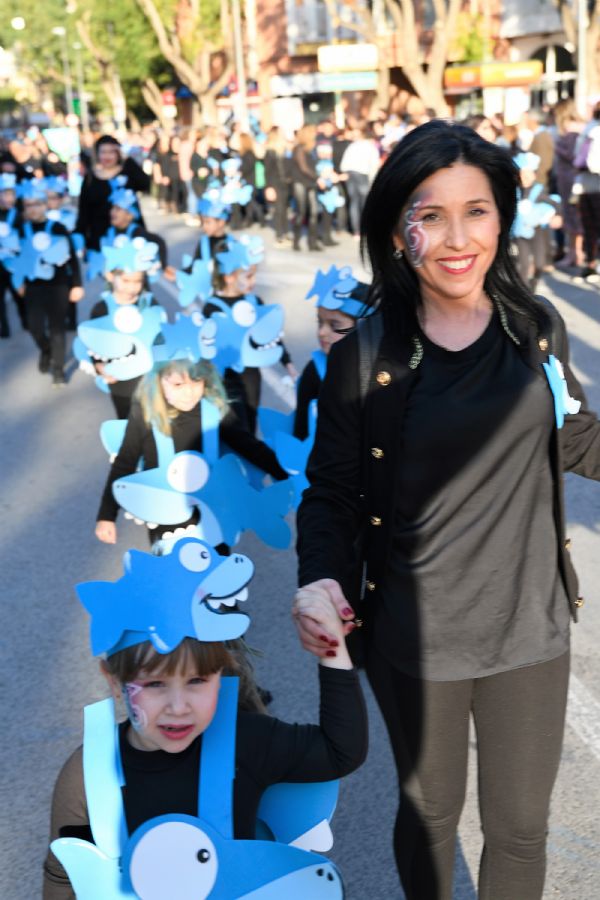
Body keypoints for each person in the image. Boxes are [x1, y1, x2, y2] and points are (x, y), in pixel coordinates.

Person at [294, 119, 600, 900]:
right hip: (415, 637)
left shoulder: (536, 330)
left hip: (530, 629)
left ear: (505, 217)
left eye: (479, 210)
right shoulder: (364, 357)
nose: (459, 238)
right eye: (431, 215)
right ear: (399, 232)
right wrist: (320, 576)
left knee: (521, 828)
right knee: (430, 817)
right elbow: (330, 489)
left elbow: (572, 439)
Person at [43, 539, 368, 899]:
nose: (178, 706)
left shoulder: (248, 743)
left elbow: (342, 751)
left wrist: (332, 649)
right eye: (154, 684)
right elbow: (64, 876)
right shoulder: (89, 772)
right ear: (114, 682)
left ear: (220, 676)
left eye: (197, 680)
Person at [95, 357, 289, 546]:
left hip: (212, 511)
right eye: (178, 384)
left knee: (219, 570)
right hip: (165, 515)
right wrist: (106, 516)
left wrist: (287, 476)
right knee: (170, 571)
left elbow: (250, 447)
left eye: (196, 382)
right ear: (158, 381)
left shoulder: (214, 411)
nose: (189, 392)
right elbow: (124, 463)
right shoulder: (146, 414)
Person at [12, 181, 83, 385]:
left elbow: (71, 258)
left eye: (37, 204)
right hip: (33, 287)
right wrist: (18, 282)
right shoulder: (22, 230)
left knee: (57, 328)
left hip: (58, 286)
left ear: (45, 205)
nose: (32, 209)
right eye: (28, 205)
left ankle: (58, 369)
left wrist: (76, 285)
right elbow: (16, 259)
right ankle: (45, 350)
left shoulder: (57, 228)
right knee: (34, 327)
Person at [294, 268, 370, 441]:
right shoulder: (315, 370)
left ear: (364, 327)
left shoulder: (382, 368)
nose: (322, 332)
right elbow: (301, 430)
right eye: (319, 321)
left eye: (334, 325)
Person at [76, 135, 150, 252]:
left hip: (129, 236)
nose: (107, 156)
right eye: (103, 152)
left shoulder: (127, 171)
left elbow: (145, 184)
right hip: (99, 238)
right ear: (97, 154)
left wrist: (127, 158)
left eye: (111, 152)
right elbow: (83, 211)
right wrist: (81, 237)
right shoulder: (90, 177)